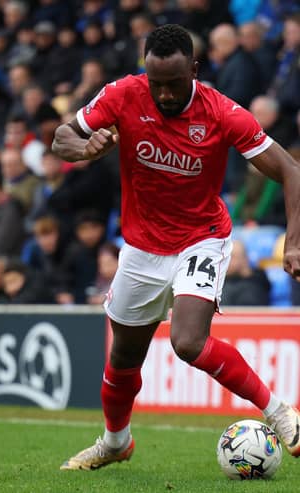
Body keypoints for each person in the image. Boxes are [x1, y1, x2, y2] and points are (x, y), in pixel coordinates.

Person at [52, 24, 300, 471]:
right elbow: (61, 137)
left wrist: (295, 242)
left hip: (201, 237)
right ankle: (114, 442)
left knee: (188, 341)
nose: (164, 94)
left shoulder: (224, 114)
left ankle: (278, 410)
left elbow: (291, 171)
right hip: (142, 245)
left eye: (174, 84)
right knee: (124, 355)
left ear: (195, 70)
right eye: (156, 83)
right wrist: (87, 148)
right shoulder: (122, 94)